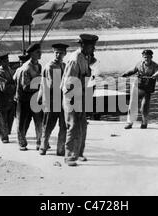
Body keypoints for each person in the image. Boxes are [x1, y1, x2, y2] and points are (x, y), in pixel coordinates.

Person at [60, 33, 98, 166]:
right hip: (72, 96)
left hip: (81, 95)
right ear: (84, 45)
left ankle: (79, 153)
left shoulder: (84, 56)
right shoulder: (75, 59)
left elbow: (88, 71)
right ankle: (69, 156)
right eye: (92, 46)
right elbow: (69, 82)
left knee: (82, 125)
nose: (94, 49)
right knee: (73, 125)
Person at [38, 43, 69, 156]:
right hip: (51, 100)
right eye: (56, 53)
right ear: (53, 53)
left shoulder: (64, 65)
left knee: (63, 125)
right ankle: (43, 146)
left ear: (65, 54)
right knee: (48, 125)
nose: (58, 55)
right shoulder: (50, 66)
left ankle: (60, 149)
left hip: (62, 100)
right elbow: (53, 85)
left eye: (61, 53)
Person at [122, 49, 158, 129]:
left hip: (147, 89)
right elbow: (133, 70)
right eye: (145, 57)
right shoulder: (139, 64)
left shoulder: (155, 66)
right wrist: (126, 73)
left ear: (151, 57)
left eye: (148, 57)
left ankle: (144, 122)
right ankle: (129, 123)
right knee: (132, 105)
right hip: (137, 86)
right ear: (143, 57)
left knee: (144, 107)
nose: (146, 59)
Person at [17, 44, 43, 151]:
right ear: (31, 54)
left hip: (35, 98)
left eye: (40, 51)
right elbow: (25, 86)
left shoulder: (39, 65)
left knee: (39, 121)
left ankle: (39, 142)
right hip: (24, 99)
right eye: (37, 52)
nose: (40, 53)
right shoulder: (26, 68)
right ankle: (22, 143)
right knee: (23, 122)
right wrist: (40, 83)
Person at [0, 53, 17, 144]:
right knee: (2, 119)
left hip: (10, 99)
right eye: (4, 60)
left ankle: (6, 133)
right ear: (0, 62)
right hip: (1, 100)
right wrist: (15, 86)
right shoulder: (0, 72)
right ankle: (4, 137)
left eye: (7, 59)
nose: (7, 61)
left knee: (9, 118)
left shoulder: (8, 69)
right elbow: (4, 88)